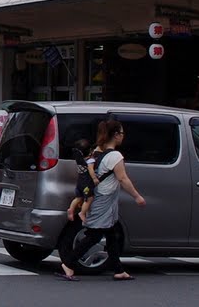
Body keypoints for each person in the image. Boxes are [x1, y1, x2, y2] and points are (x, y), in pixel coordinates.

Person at [59, 119, 146, 282]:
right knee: (95, 234)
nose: (123, 136)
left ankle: (119, 270)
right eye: (121, 133)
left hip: (100, 197)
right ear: (115, 135)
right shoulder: (115, 156)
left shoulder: (97, 151)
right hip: (103, 199)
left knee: (111, 233)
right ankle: (69, 263)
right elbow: (123, 178)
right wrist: (137, 196)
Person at [66, 138, 98, 222]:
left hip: (79, 183)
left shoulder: (79, 160)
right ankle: (82, 213)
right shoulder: (90, 161)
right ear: (90, 150)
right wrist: (94, 178)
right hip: (86, 184)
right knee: (89, 199)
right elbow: (91, 170)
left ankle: (71, 209)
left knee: (78, 198)